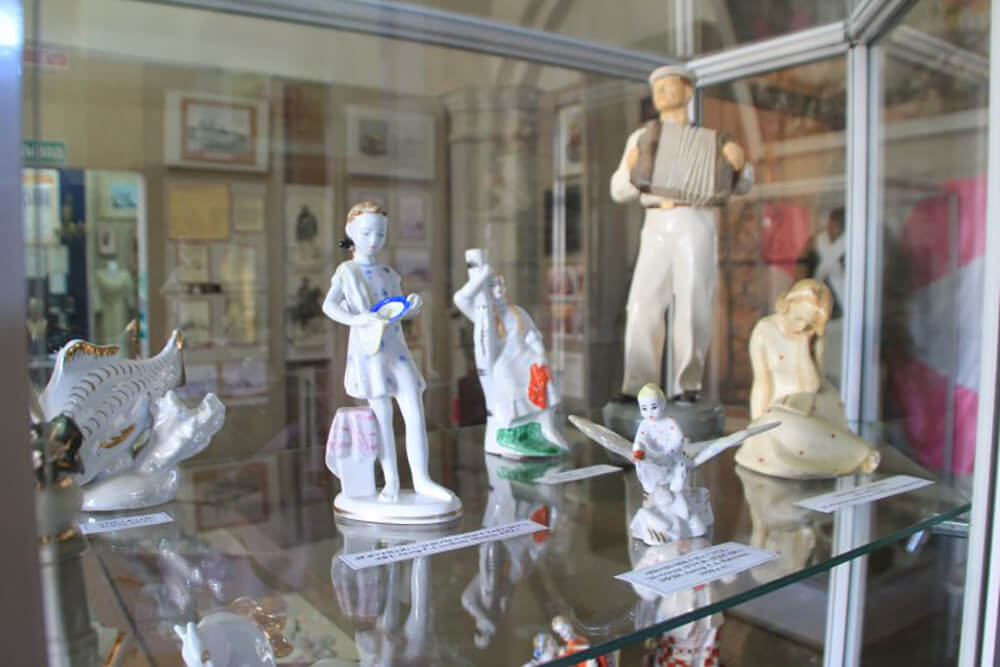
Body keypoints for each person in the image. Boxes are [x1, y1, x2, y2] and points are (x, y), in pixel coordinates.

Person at [610, 65, 752, 403]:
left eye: (667, 86)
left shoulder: (714, 140)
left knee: (693, 302)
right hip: (656, 220)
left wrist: (739, 165)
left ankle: (687, 386)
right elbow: (619, 190)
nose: (659, 93)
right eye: (656, 88)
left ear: (688, 92)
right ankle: (637, 385)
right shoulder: (641, 137)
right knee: (642, 302)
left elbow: (743, 184)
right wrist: (630, 166)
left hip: (695, 219)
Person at [322, 202, 454, 503]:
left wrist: (411, 307)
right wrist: (358, 319)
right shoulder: (347, 272)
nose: (374, 240)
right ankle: (391, 480)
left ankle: (421, 479)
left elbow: (395, 309)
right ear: (351, 231)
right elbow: (329, 306)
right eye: (367, 233)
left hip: (397, 352)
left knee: (414, 411)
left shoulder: (387, 272)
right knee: (382, 417)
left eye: (380, 234)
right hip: (371, 354)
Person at [735, 279, 880, 478]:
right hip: (778, 407)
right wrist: (756, 420)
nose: (802, 326)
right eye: (798, 319)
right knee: (774, 426)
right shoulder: (764, 331)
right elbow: (762, 382)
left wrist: (803, 345)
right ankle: (858, 453)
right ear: (789, 304)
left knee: (797, 426)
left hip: (813, 402)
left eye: (809, 324)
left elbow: (812, 385)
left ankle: (859, 455)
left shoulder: (811, 337)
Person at [453, 248, 568, 457]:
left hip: (526, 357)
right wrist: (480, 277)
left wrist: (538, 351)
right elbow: (460, 299)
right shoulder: (485, 315)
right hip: (504, 361)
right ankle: (509, 431)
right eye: (492, 285)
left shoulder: (518, 312)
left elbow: (531, 334)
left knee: (542, 377)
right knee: (509, 383)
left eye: (500, 284)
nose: (498, 289)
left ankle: (546, 426)